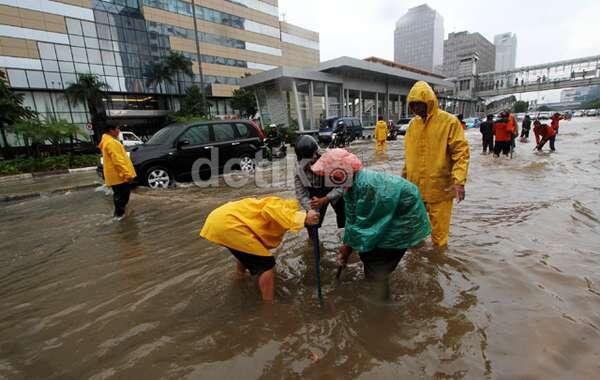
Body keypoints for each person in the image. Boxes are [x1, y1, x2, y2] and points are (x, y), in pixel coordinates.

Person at [312, 149, 431, 298]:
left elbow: (366, 226)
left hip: (405, 216)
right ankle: (379, 287)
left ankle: (382, 308)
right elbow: (351, 218)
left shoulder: (365, 186)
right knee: (368, 254)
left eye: (329, 174)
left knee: (374, 262)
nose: (327, 179)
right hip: (393, 211)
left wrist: (349, 248)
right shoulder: (350, 187)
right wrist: (346, 245)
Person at [199, 197, 320, 301]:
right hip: (228, 224)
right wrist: (304, 217)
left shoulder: (266, 203)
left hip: (218, 221)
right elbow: (275, 211)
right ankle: (269, 304)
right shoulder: (279, 205)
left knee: (248, 251)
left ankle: (239, 277)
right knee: (266, 265)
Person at [403, 81, 470, 249]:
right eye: (413, 105)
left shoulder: (449, 122)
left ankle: (437, 266)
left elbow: (461, 153)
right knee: (414, 234)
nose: (416, 109)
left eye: (419, 104)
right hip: (415, 189)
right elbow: (409, 157)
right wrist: (402, 182)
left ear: (429, 102)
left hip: (440, 189)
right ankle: (417, 265)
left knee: (439, 238)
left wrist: (459, 181)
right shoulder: (412, 125)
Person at [294, 136, 346, 236]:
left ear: (316, 154)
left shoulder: (331, 158)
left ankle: (345, 241)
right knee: (311, 223)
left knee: (344, 217)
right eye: (306, 162)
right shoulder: (298, 169)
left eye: (312, 161)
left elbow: (343, 186)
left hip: (334, 191)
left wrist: (325, 199)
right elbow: (301, 194)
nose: (309, 164)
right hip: (315, 197)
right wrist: (310, 209)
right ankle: (312, 243)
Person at [98, 125, 136, 219]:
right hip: (119, 176)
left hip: (116, 176)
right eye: (117, 129)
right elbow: (118, 161)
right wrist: (127, 174)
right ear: (111, 130)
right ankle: (119, 217)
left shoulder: (107, 141)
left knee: (120, 195)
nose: (119, 131)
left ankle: (119, 215)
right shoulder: (111, 142)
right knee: (122, 196)